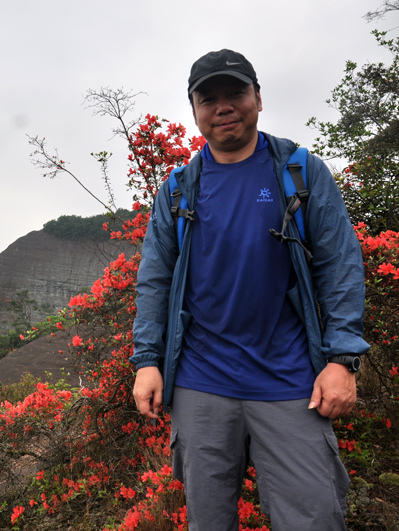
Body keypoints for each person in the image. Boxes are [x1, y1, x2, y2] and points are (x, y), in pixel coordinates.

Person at [130, 49, 370, 531]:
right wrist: (147, 360)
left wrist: (342, 360)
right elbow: (155, 278)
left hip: (290, 380)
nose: (224, 106)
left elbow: (339, 266)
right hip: (200, 381)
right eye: (208, 98)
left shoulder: (300, 172)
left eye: (235, 92)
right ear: (194, 109)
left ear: (258, 98)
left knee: (315, 518)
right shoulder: (179, 190)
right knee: (209, 522)